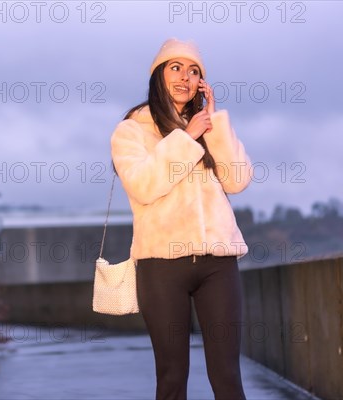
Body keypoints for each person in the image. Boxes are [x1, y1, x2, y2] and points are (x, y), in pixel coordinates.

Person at [110, 38, 252, 400]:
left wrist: (214, 123)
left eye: (194, 72)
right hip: (161, 266)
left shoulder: (206, 126)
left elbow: (237, 181)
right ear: (158, 74)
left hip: (218, 262)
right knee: (172, 379)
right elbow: (143, 185)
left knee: (228, 377)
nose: (185, 78)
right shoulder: (132, 130)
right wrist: (186, 137)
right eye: (175, 68)